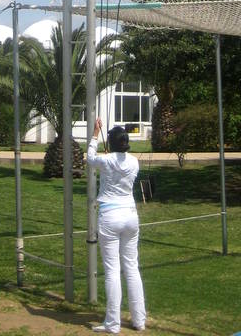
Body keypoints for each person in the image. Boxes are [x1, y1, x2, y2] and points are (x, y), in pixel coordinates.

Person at [87, 117, 146, 334]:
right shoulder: (134, 162)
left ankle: (113, 323)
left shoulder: (106, 160)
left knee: (112, 270)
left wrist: (95, 134)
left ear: (111, 143)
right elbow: (113, 163)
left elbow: (90, 158)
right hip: (130, 215)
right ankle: (139, 320)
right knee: (132, 268)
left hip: (110, 216)